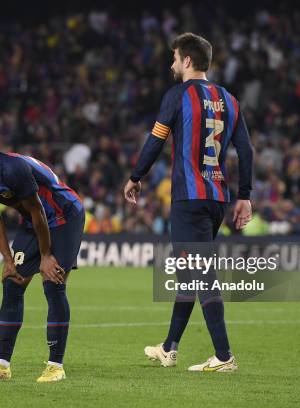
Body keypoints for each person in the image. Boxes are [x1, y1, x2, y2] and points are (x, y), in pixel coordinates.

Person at [123, 33, 253, 372]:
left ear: (188, 62)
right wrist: (245, 197)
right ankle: (169, 348)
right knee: (189, 275)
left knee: (202, 276)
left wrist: (135, 176)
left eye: (175, 58)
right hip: (217, 200)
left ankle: (224, 357)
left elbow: (155, 142)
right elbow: (247, 151)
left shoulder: (177, 96)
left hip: (189, 198)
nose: (172, 64)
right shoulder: (230, 99)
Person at [0, 123, 84, 383]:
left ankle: (55, 366)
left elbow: (39, 211)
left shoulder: (13, 170)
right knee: (12, 283)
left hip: (64, 216)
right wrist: (8, 259)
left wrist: (46, 257)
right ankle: (1, 366)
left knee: (53, 283)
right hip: (33, 221)